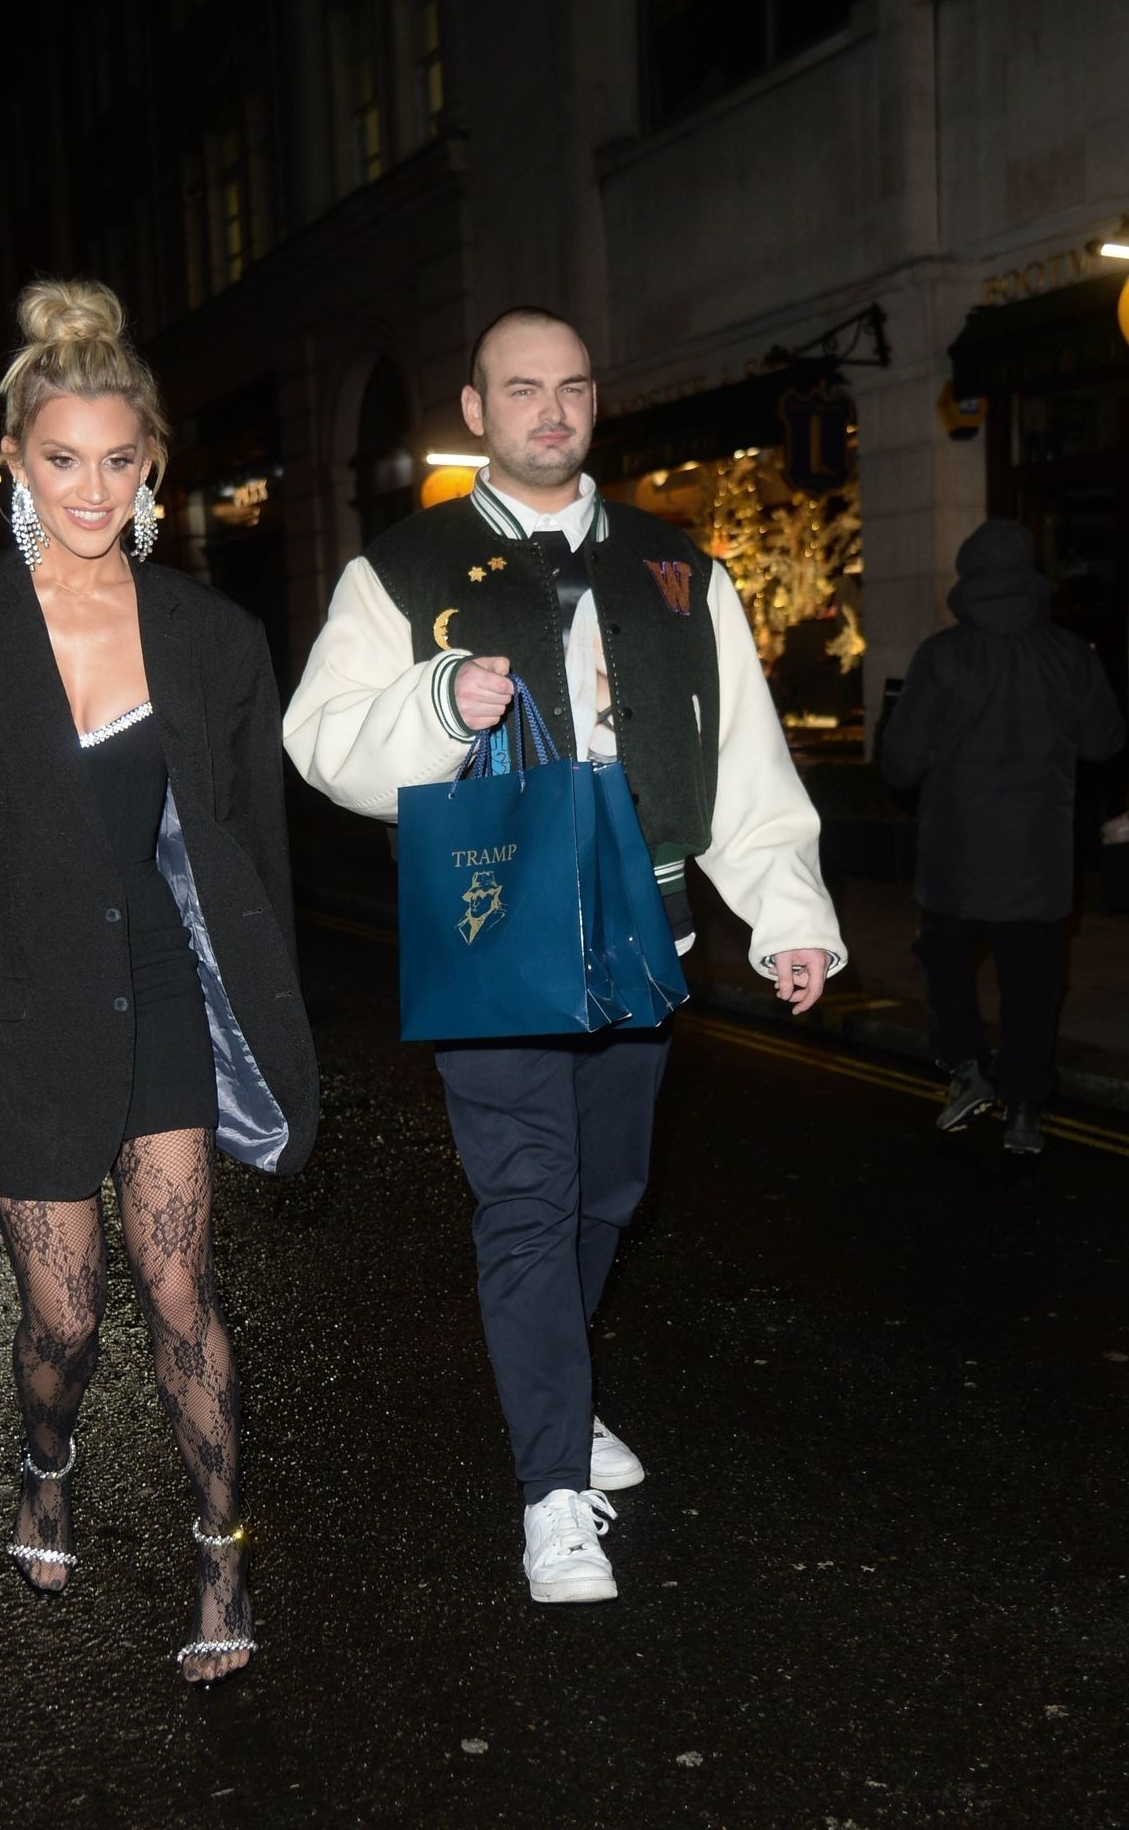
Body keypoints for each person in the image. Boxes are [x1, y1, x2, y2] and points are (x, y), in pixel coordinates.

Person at [284, 307, 845, 1604]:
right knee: (530, 1201)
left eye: (573, 388)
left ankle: (562, 1392)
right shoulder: (400, 570)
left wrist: (790, 914)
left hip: (647, 934)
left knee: (606, 1194)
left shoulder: (679, 568)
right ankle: (550, 1491)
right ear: (476, 410)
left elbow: (744, 758)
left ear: (597, 402)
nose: (551, 410)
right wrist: (437, 702)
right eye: (522, 389)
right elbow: (318, 740)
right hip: (494, 943)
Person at [0, 279, 317, 1682]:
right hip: (9, 1011)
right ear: (14, 462)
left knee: (180, 1292)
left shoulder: (213, 639)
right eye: (63, 459)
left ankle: (221, 1555)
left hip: (159, 991)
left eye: (119, 460)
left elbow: (252, 854)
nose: (93, 490)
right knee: (68, 1314)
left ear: (153, 463)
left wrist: (273, 1019)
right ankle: (45, 1459)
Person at [880, 518, 1124, 1157]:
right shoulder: (1070, 654)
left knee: (945, 962)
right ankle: (1024, 1108)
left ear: (967, 577)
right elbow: (1105, 741)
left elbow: (900, 764)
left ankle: (966, 1067)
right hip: (1039, 857)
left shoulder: (942, 655)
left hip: (955, 854)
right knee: (1032, 983)